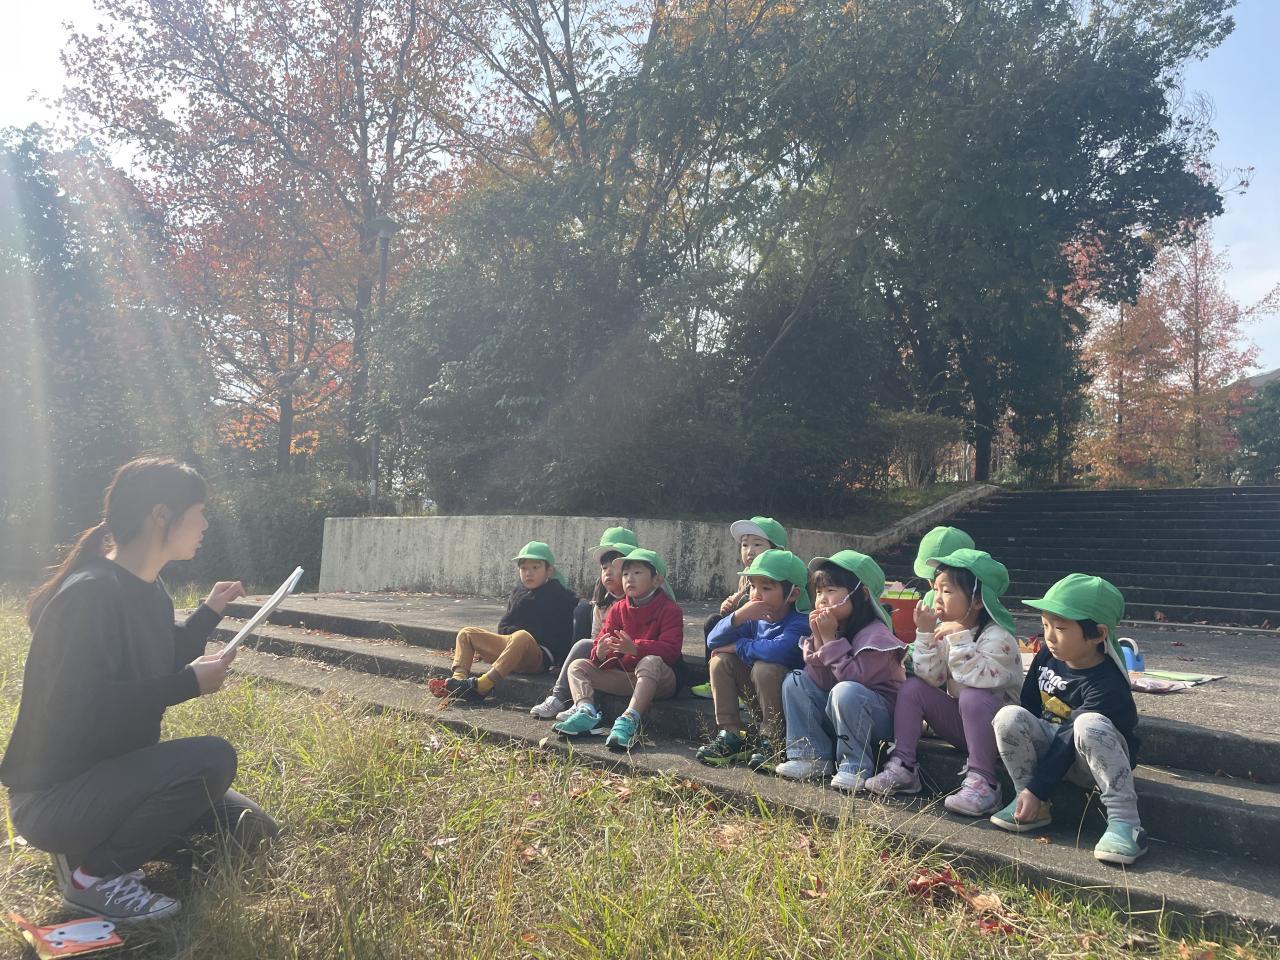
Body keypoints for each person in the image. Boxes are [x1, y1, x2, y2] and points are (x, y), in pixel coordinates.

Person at [1, 457, 278, 923]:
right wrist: (188, 684)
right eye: (199, 512)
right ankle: (93, 879)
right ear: (161, 515)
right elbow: (80, 705)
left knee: (252, 829)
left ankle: (96, 848)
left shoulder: (149, 588)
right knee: (213, 758)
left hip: (114, 777)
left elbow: (160, 654)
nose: (205, 524)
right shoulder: (90, 593)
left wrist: (209, 612)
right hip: (54, 797)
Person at [990, 575, 1146, 864]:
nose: (1049, 636)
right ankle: (1029, 803)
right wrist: (1032, 788)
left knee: (1088, 724)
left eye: (1060, 628)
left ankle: (1126, 823)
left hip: (1092, 763)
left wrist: (1039, 787)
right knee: (1009, 716)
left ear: (1098, 634)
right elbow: (1030, 706)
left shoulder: (1107, 682)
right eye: (1045, 625)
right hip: (1052, 749)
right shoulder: (1047, 656)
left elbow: (1069, 736)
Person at [863, 549, 1022, 815]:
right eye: (936, 589)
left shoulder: (999, 637)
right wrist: (925, 634)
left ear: (977, 601)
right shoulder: (950, 630)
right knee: (912, 688)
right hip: (963, 727)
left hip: (999, 737)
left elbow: (977, 680)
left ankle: (985, 782)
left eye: (947, 591)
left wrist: (959, 638)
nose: (937, 598)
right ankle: (904, 766)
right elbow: (931, 677)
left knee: (972, 696)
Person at [776, 551, 906, 791]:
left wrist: (828, 639)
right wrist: (819, 638)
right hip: (841, 711)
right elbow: (820, 679)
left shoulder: (877, 636)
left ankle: (855, 766)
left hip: (881, 721)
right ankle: (810, 755)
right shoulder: (835, 627)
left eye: (831, 590)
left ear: (862, 594)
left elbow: (852, 679)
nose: (822, 599)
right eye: (818, 592)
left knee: (846, 690)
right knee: (796, 680)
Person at [552, 548, 684, 751]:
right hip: (625, 677)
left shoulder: (670, 609)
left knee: (649, 661)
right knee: (578, 666)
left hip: (660, 681)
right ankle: (586, 712)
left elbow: (672, 650)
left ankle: (629, 720)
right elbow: (602, 642)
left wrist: (635, 648)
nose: (629, 578)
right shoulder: (618, 608)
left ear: (656, 580)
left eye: (637, 572)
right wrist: (600, 653)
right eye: (625, 574)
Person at [695, 549, 809, 769]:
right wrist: (738, 616)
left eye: (766, 587)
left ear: (793, 594)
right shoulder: (754, 616)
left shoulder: (802, 621)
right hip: (761, 701)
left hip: (791, 714)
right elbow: (713, 641)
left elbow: (779, 651)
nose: (756, 594)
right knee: (720, 660)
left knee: (764, 668)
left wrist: (738, 646)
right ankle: (731, 735)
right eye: (753, 586)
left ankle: (774, 741)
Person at [429, 541, 577, 702]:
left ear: (549, 571)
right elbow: (503, 626)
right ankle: (457, 682)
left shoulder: (560, 595)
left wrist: (562, 662)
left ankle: (483, 685)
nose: (529, 573)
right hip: (511, 647)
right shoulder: (518, 592)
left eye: (535, 567)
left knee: (522, 636)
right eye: (524, 568)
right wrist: (510, 636)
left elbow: (567, 632)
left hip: (537, 657)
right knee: (467, 633)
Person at [530, 527, 639, 720]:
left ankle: (580, 704)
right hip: (607, 655)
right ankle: (560, 698)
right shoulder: (602, 602)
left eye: (616, 566)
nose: (608, 573)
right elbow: (596, 637)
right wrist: (600, 650)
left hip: (633, 657)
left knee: (585, 648)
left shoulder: (642, 596)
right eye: (604, 568)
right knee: (584, 644)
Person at [690, 516, 788, 699]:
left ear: (778, 550)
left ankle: (740, 689)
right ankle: (715, 681)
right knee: (714, 622)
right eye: (744, 545)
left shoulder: (788, 575)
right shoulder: (746, 575)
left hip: (772, 635)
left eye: (757, 544)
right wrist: (731, 609)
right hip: (751, 627)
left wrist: (742, 607)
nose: (749, 551)